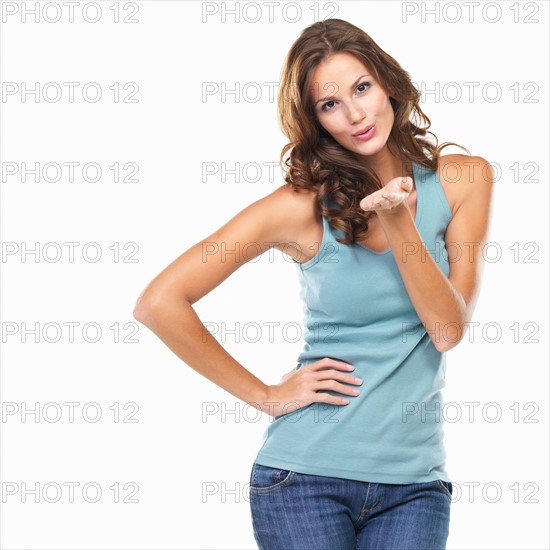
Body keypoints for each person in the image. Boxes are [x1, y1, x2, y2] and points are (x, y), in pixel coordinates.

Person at [133, 18, 494, 550]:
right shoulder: (300, 207)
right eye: (330, 105)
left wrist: (397, 218)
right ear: (315, 121)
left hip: (415, 484)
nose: (354, 114)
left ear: (388, 81)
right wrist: (266, 395)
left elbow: (446, 329)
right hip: (303, 481)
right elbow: (159, 302)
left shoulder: (464, 179)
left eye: (362, 88)